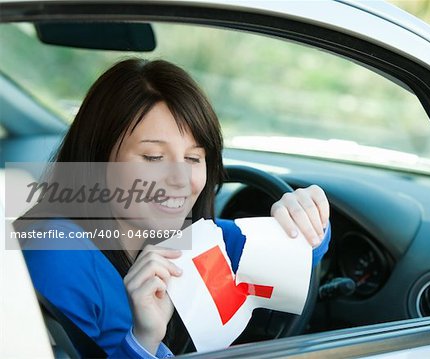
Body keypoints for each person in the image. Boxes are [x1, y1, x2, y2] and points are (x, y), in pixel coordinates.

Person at [16, 59, 331, 358]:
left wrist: (306, 214)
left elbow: (294, 250)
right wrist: (142, 340)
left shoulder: (184, 239)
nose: (181, 179)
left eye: (194, 158)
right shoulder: (58, 253)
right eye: (154, 158)